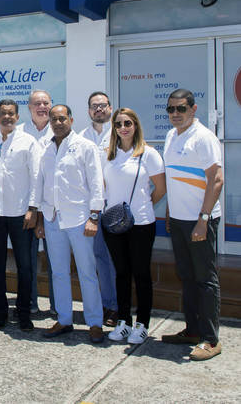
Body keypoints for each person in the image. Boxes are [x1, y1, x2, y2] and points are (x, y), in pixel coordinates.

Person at [161, 89, 224, 361]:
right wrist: (169, 211)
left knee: (205, 280)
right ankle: (192, 330)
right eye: (171, 109)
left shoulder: (204, 138)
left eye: (181, 109)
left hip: (200, 221)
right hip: (178, 219)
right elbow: (174, 177)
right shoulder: (171, 135)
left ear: (193, 109)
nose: (176, 114)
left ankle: (210, 340)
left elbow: (217, 179)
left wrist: (204, 219)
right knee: (186, 276)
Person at [34, 104, 105, 343]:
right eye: (54, 119)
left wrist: (94, 216)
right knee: (59, 273)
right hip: (53, 219)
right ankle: (64, 319)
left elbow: (96, 183)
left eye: (62, 118)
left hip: (80, 220)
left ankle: (95, 322)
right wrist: (40, 218)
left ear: (71, 120)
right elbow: (42, 184)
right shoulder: (46, 149)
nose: (57, 123)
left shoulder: (86, 147)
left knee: (87, 273)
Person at [103, 108, 166, 344]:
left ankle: (142, 324)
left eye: (127, 123)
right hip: (114, 224)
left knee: (140, 274)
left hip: (141, 223)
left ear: (136, 125)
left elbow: (160, 188)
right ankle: (123, 322)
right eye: (118, 124)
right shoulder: (108, 155)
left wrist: (145, 204)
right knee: (121, 273)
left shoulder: (148, 154)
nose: (123, 128)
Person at [0, 99, 39, 332]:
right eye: (3, 114)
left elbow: (36, 177)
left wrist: (33, 209)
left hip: (21, 214)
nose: (7, 117)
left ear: (17, 117)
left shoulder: (29, 142)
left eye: (11, 114)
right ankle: (0, 312)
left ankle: (24, 313)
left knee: (24, 266)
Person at [80, 91, 118, 326]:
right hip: (91, 209)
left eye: (103, 105)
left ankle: (116, 306)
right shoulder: (81, 137)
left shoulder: (120, 133)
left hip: (114, 206)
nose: (99, 110)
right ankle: (106, 305)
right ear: (88, 111)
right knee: (99, 257)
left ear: (110, 108)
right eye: (94, 106)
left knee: (115, 258)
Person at [19, 90, 56, 315]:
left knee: (56, 260)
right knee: (27, 258)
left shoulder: (60, 130)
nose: (42, 106)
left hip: (53, 205)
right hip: (29, 205)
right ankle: (30, 302)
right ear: (29, 107)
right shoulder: (20, 132)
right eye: (37, 103)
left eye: (46, 103)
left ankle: (56, 305)